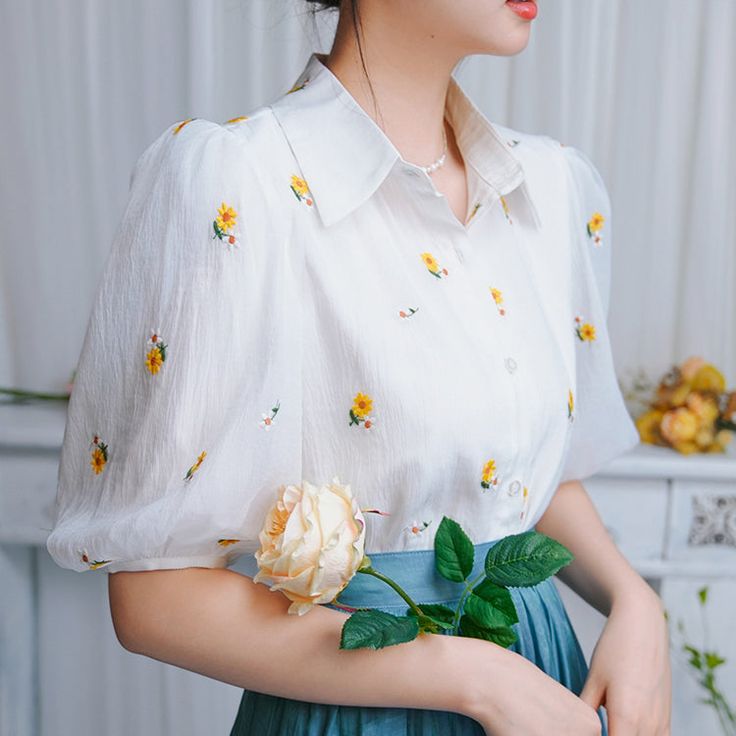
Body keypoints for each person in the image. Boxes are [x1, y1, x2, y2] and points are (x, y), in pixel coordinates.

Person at [45, 0, 672, 734]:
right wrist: (482, 679)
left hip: (545, 688)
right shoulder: (242, 188)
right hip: (372, 714)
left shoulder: (548, 187)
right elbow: (155, 600)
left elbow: (509, 473)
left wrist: (634, 601)